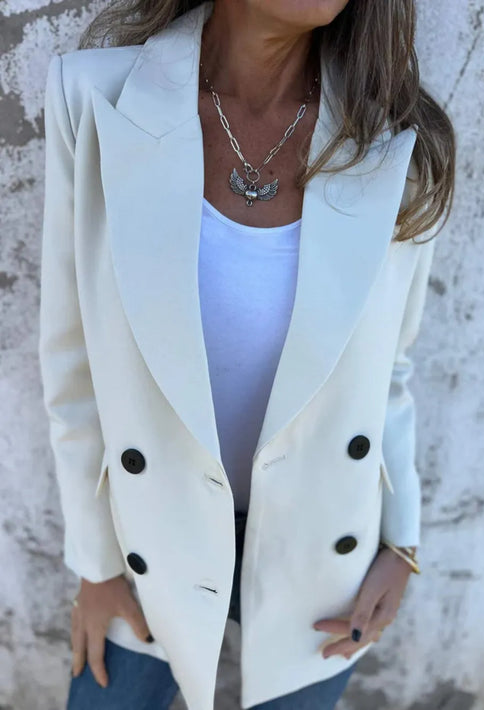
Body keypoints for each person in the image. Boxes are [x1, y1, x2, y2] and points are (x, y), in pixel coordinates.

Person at [38, 1, 455, 709]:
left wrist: (400, 543)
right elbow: (71, 360)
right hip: (147, 541)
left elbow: (388, 370)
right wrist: (96, 565)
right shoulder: (94, 97)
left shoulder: (392, 138)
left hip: (321, 556)